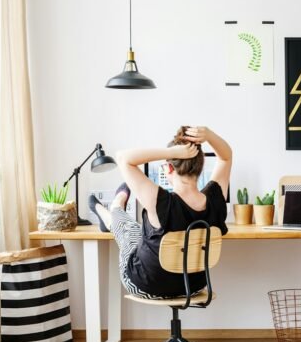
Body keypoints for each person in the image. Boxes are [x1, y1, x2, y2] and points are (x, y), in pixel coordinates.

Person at [89, 126, 232, 299]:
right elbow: (226, 158)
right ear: (200, 168)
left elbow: (122, 158)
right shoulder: (215, 200)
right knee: (138, 231)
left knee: (129, 231)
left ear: (169, 169)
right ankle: (112, 214)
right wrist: (208, 134)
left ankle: (115, 207)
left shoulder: (160, 201)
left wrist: (170, 152)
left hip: (146, 286)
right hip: (193, 288)